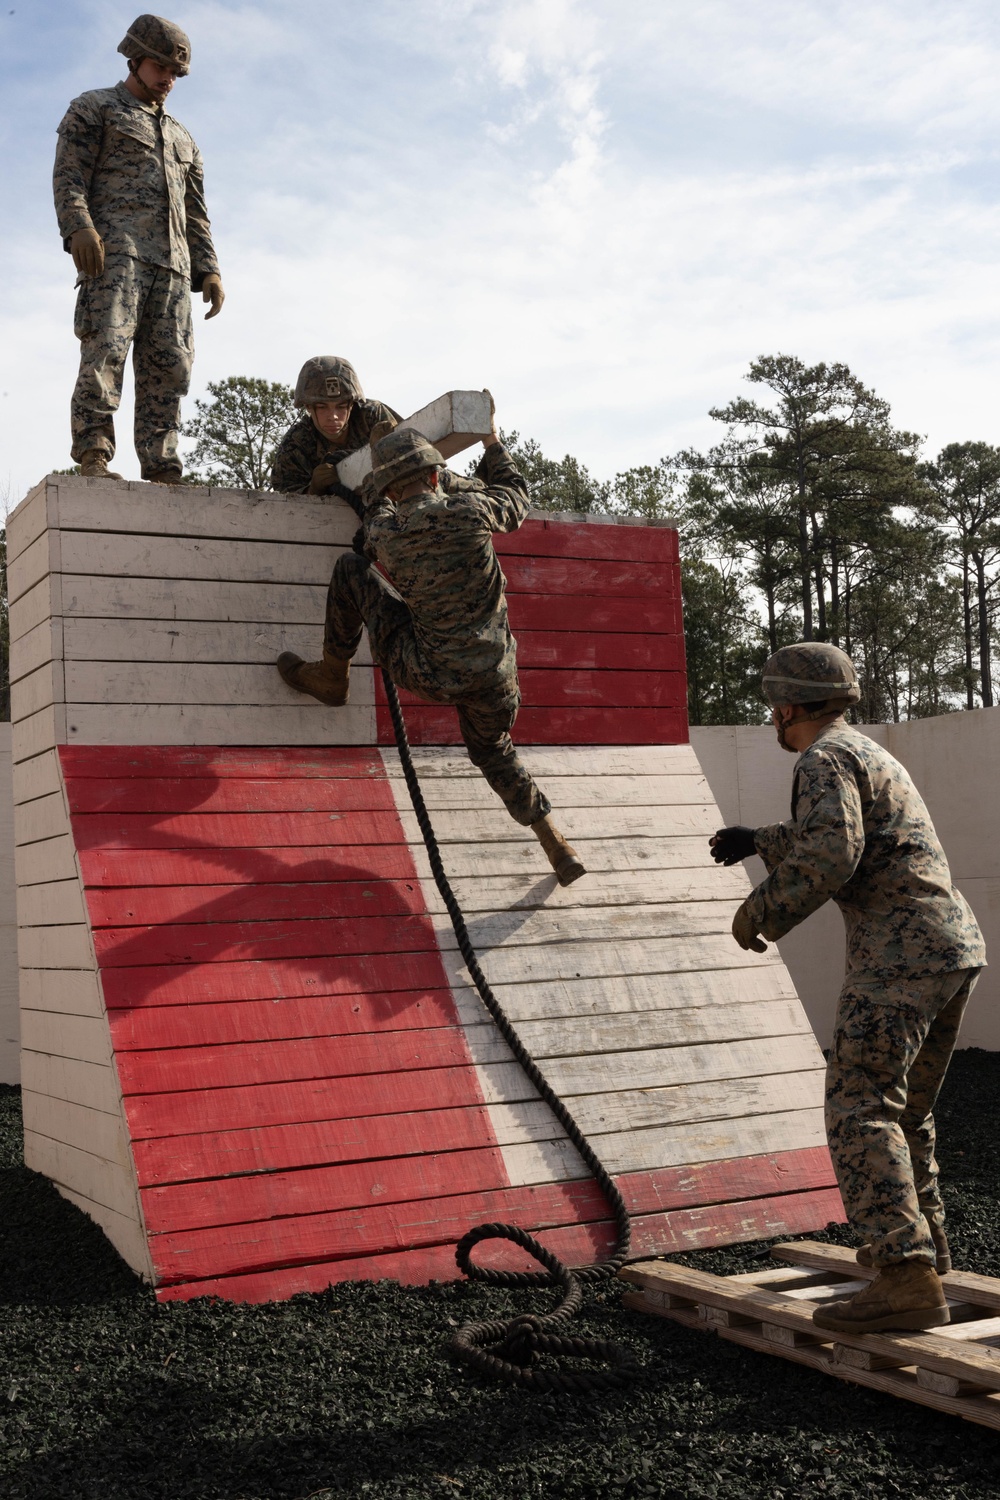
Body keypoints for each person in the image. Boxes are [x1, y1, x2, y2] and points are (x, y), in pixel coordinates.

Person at [709, 642, 985, 1335]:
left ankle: (901, 1276)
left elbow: (835, 851)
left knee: (859, 1108)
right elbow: (845, 831)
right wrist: (759, 838)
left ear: (787, 705)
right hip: (950, 949)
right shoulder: (862, 750)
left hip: (897, 959)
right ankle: (929, 1263)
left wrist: (761, 911)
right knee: (905, 1113)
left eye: (774, 701)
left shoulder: (820, 758)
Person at [275, 410, 586, 886]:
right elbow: (517, 496)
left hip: (427, 671)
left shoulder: (386, 532)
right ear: (438, 475)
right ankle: (553, 840)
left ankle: (331, 676)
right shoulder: (473, 511)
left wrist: (345, 484)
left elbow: (367, 526)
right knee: (493, 751)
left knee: (349, 571)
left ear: (393, 491)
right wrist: (491, 442)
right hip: (495, 679)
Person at [53, 14, 223, 483]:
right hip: (116, 258)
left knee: (171, 369)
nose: (168, 79)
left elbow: (196, 211)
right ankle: (94, 456)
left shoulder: (183, 137)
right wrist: (79, 228)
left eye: (175, 74)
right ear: (135, 60)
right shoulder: (95, 108)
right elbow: (69, 176)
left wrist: (208, 268)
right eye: (160, 67)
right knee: (104, 354)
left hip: (173, 268)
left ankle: (163, 465)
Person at [269, 357, 401, 515]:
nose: (333, 416)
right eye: (323, 407)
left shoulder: (373, 417)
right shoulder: (296, 444)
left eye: (340, 406)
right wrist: (313, 489)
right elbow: (283, 506)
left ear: (351, 405)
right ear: (308, 407)